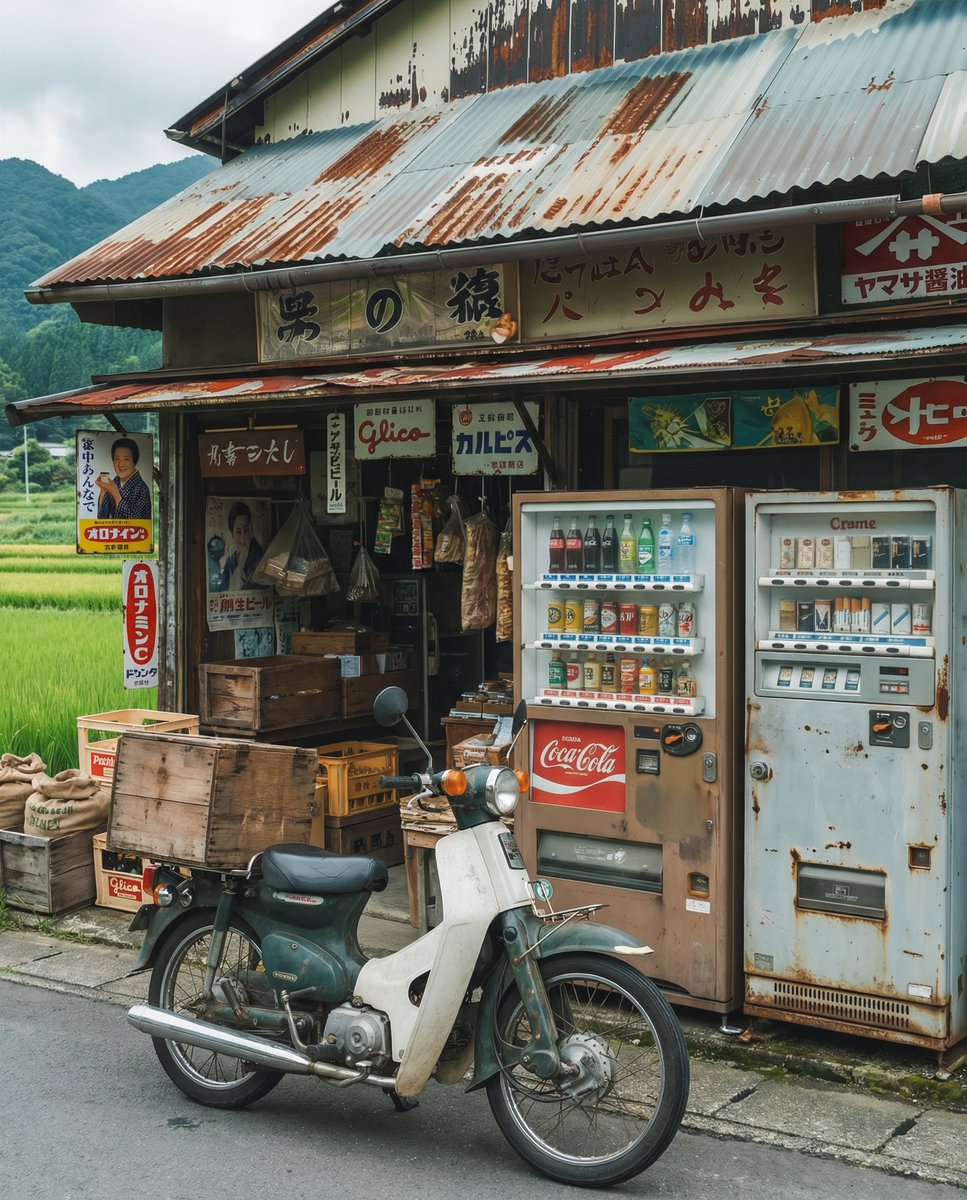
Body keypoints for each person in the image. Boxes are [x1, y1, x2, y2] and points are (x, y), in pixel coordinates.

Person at [96, 437, 152, 520]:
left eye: (126, 459)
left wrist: (116, 494)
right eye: (117, 459)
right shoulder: (114, 483)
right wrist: (104, 490)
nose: (121, 464)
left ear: (135, 462)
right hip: (115, 532)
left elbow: (136, 519)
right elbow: (102, 518)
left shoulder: (142, 489)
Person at [220, 501, 266, 590]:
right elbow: (222, 586)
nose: (242, 537)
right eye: (238, 532)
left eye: (246, 530)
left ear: (251, 528)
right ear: (231, 532)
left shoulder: (258, 557)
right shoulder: (232, 558)